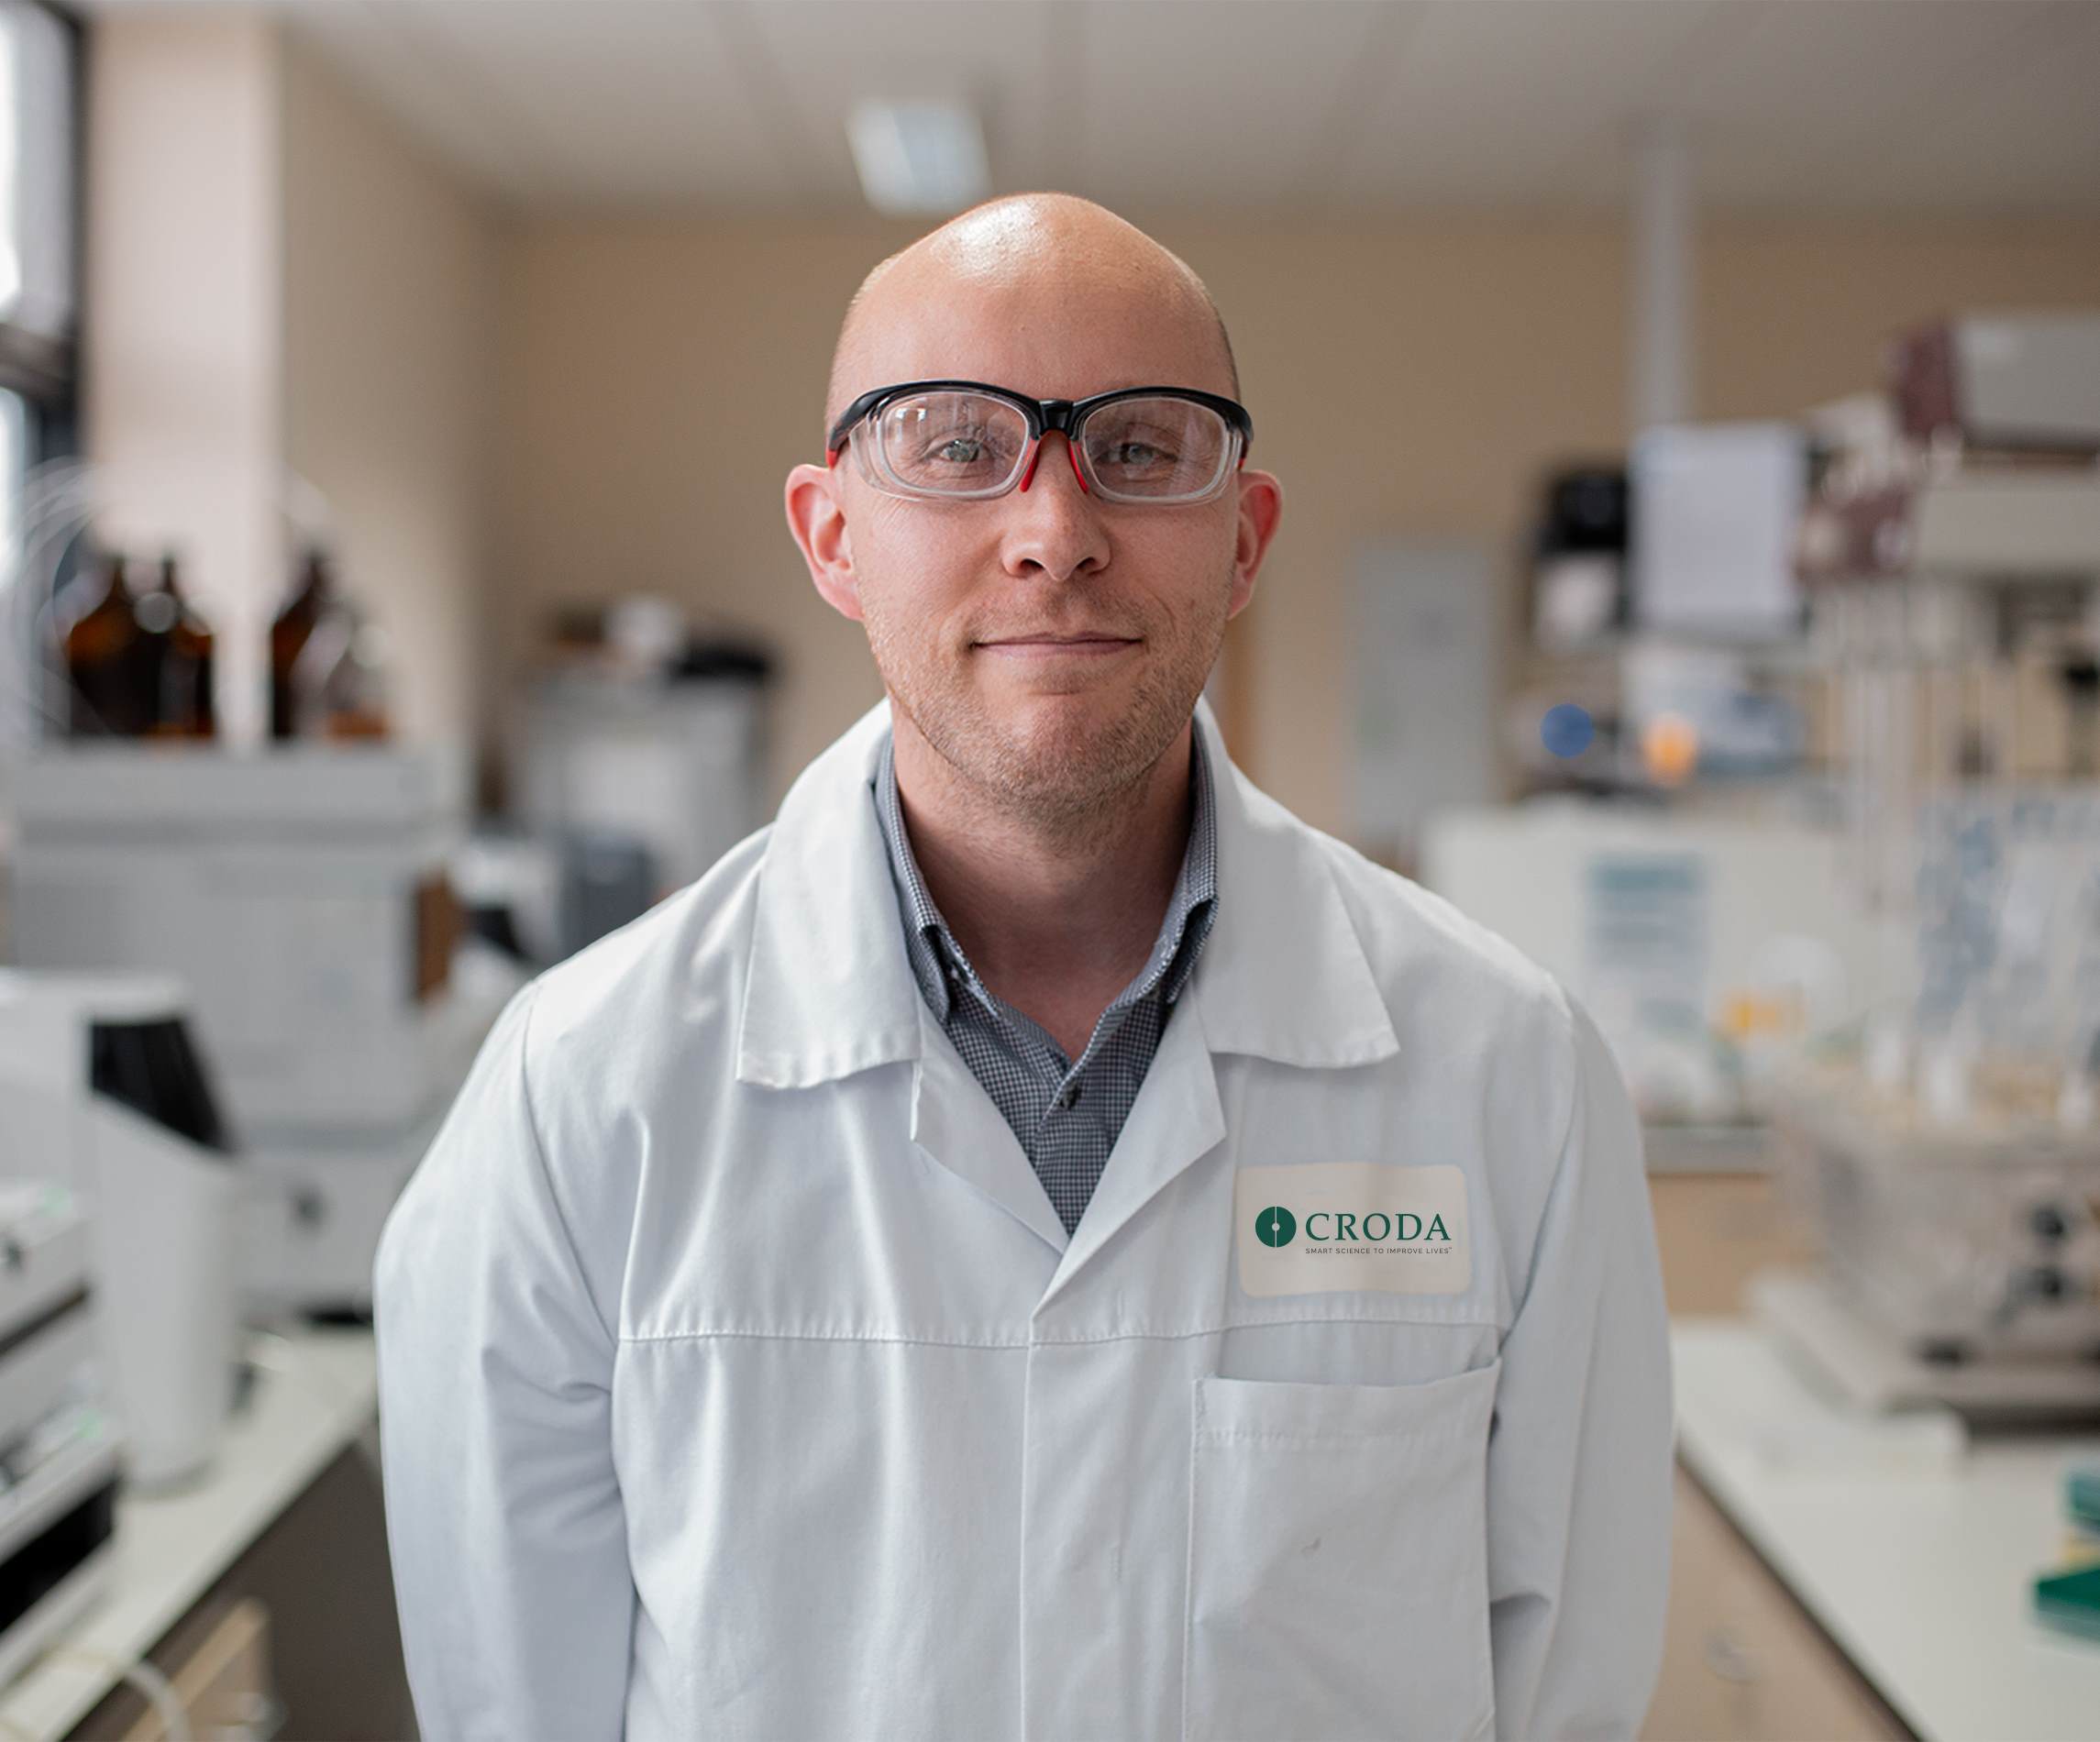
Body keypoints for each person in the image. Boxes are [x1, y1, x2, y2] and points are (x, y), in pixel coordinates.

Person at [373, 192, 1673, 1741]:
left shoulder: (1501, 1073)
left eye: (1136, 449)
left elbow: (1564, 1688)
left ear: (1244, 538)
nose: (1054, 531)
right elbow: (509, 1703)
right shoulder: (581, 1093)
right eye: (954, 445)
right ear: (833, 536)